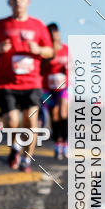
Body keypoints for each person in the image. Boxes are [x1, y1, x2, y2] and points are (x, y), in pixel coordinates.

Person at [0, 0, 53, 170]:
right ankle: (15, 145)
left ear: (28, 1)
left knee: (31, 121)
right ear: (9, 1)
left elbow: (49, 51)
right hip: (7, 82)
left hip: (31, 82)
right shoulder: (1, 25)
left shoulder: (38, 25)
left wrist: (38, 50)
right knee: (12, 120)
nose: (18, 1)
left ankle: (27, 158)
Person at [41, 23, 68, 159]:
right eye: (51, 34)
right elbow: (40, 68)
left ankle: (66, 142)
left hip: (64, 86)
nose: (54, 36)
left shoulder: (66, 49)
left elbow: (73, 67)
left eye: (55, 33)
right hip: (48, 87)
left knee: (63, 112)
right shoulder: (46, 51)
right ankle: (58, 143)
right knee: (55, 115)